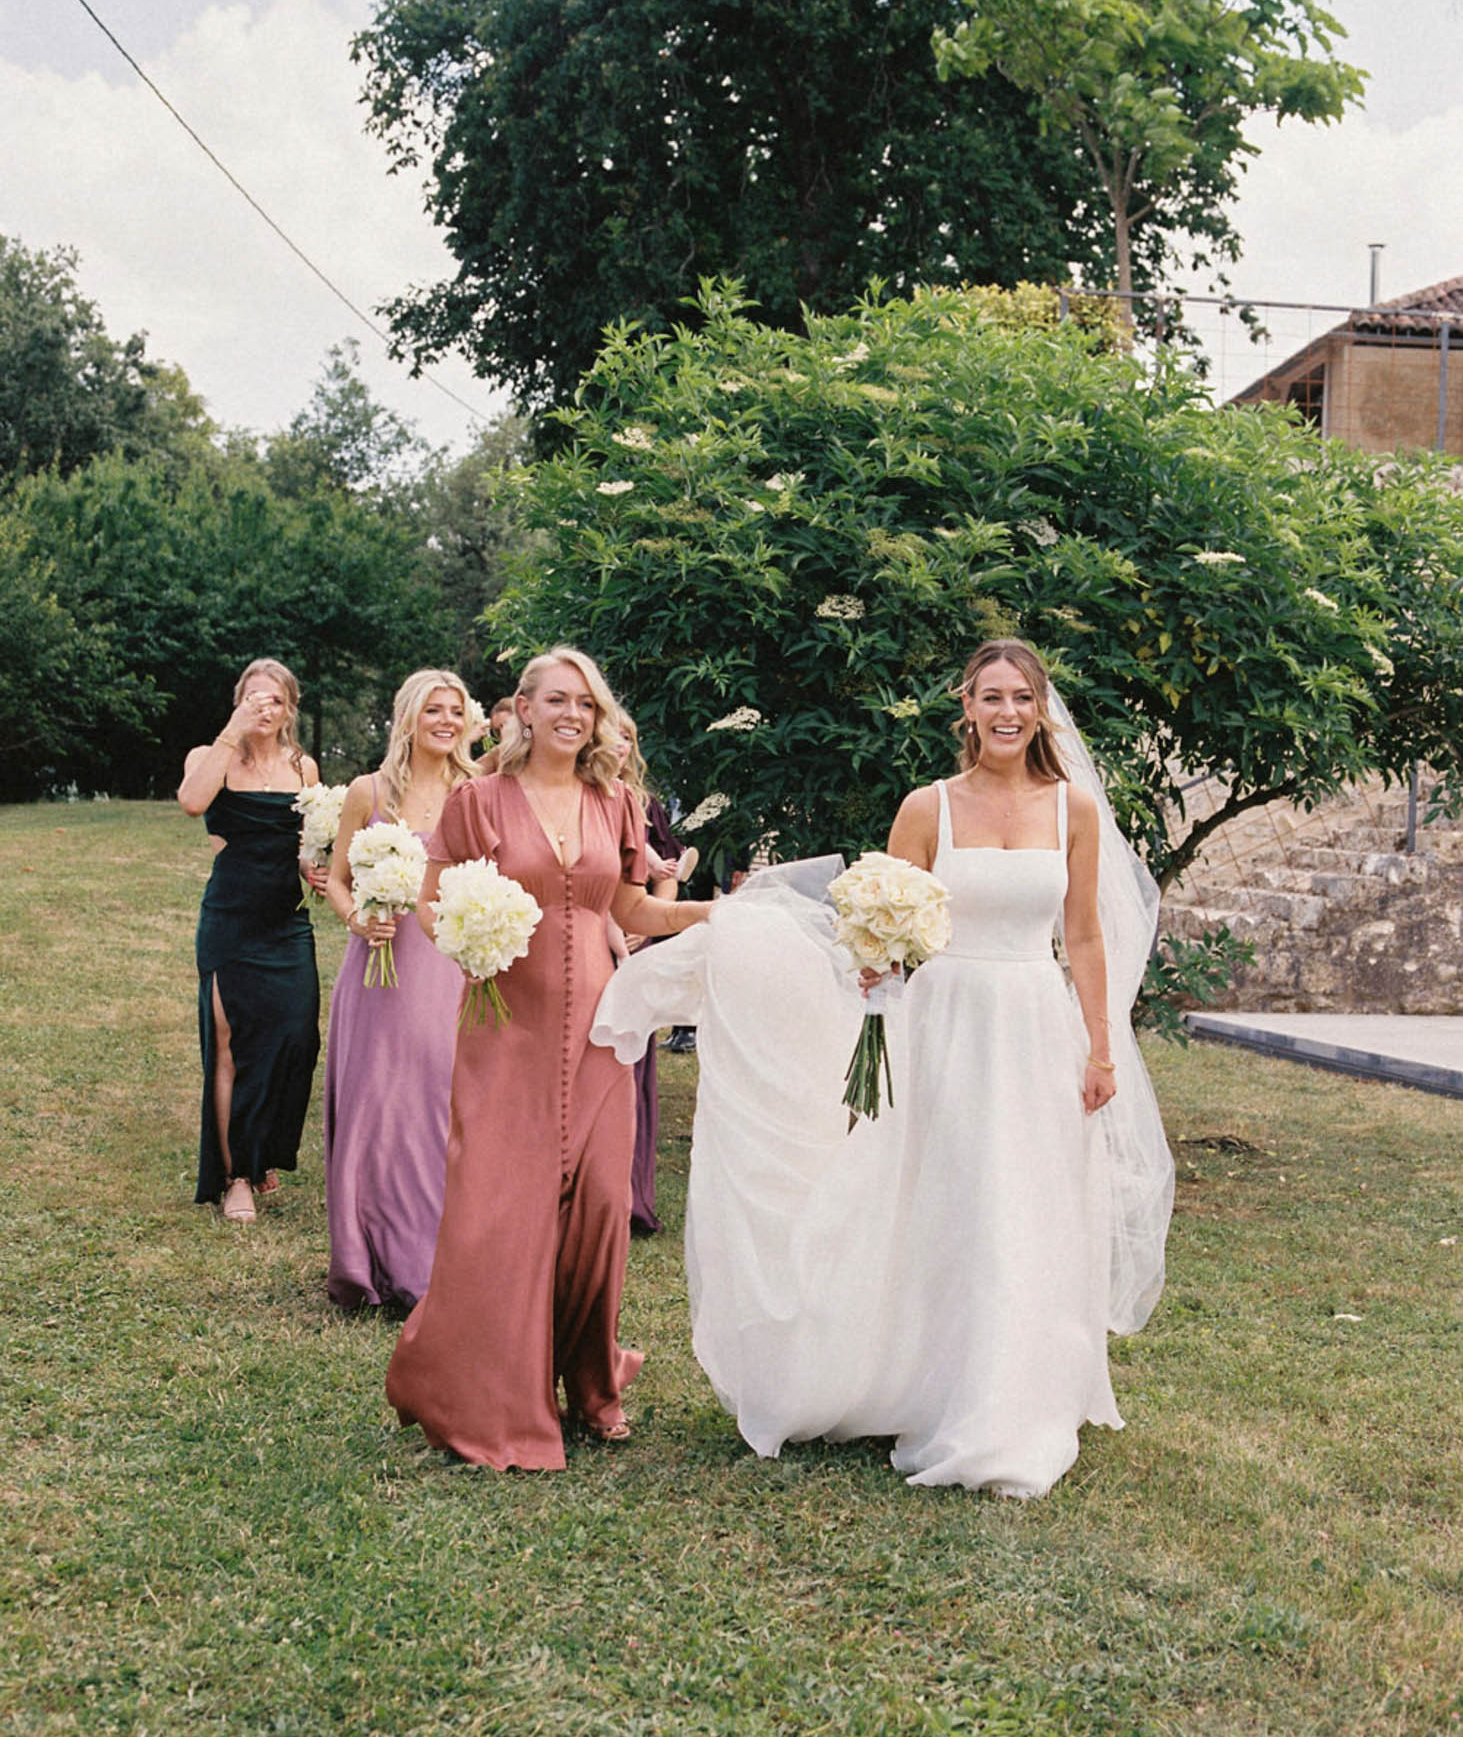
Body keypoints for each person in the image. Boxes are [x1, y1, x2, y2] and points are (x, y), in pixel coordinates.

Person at [592, 639, 1173, 1497]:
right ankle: (925, 1379)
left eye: (1021, 697)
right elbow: (886, 921)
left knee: (1026, 1199)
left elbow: (1081, 936)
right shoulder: (926, 807)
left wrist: (1098, 1045)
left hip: (1032, 1024)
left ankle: (1016, 1390)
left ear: (1039, 708)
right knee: (944, 1196)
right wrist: (876, 958)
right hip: (940, 1023)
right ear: (966, 709)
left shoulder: (1071, 811)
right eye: (990, 697)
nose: (1006, 712)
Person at [384, 646, 712, 1469]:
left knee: (602, 1205)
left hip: (603, 1030)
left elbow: (629, 902)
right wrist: (465, 938)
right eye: (558, 700)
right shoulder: (478, 800)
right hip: (506, 1029)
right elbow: (431, 901)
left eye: (587, 704)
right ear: (522, 710)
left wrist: (717, 913)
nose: (574, 715)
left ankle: (593, 1384)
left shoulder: (615, 802)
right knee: (502, 1211)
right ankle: (485, 1391)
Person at [322, 670, 477, 1309]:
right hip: (379, 966)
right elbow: (334, 878)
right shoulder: (368, 791)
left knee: (439, 1106)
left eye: (455, 711)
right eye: (433, 709)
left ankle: (434, 1265)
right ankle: (367, 1259)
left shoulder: (476, 791)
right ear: (407, 718)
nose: (445, 720)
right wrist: (358, 916)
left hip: (446, 966)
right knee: (377, 1108)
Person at [178, 658, 322, 1224]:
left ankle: (263, 1151)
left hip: (287, 922)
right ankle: (236, 1174)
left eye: (275, 700)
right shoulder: (210, 756)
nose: (264, 708)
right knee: (231, 1045)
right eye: (253, 699)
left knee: (294, 1039)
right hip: (230, 921)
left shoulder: (304, 768)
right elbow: (193, 801)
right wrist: (232, 731)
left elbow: (313, 841)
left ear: (290, 710)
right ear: (238, 702)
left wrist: (316, 866)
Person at [612, 715, 696, 1236]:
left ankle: (631, 1194)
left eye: (628, 738)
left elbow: (669, 870)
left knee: (634, 1066)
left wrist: (647, 927)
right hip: (597, 936)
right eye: (611, 735)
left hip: (638, 941)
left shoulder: (647, 806)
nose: (618, 745)